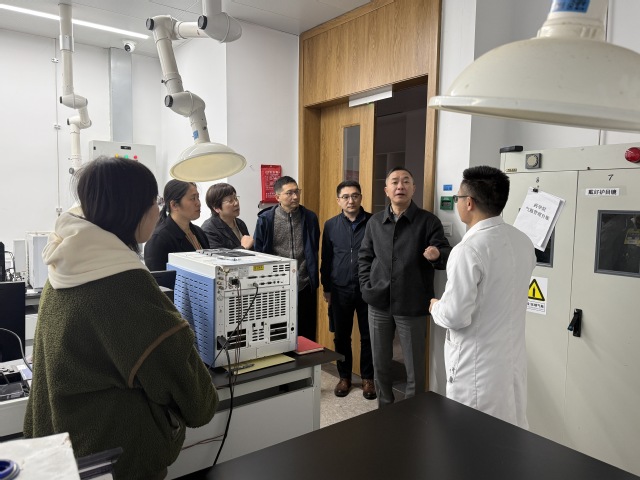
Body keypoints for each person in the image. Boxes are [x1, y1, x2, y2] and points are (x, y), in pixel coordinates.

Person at [23, 157, 218, 479]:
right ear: (134, 210)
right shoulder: (125, 286)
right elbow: (198, 403)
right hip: (116, 460)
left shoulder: (64, 267)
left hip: (60, 449)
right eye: (154, 201)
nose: (157, 210)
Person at [429, 166, 536, 429]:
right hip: (509, 361)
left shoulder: (468, 250)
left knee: (473, 436)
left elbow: (455, 315)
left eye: (457, 198)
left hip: (477, 368)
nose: (457, 203)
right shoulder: (522, 241)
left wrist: (436, 306)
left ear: (469, 203)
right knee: (508, 431)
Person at [359, 167, 451, 408]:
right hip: (378, 301)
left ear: (413, 188)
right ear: (386, 190)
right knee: (380, 361)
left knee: (414, 364)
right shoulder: (375, 222)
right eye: (395, 182)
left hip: (412, 301)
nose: (400, 186)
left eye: (406, 181)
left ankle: (413, 411)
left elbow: (446, 253)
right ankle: (384, 406)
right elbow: (364, 257)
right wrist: (366, 287)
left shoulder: (428, 221)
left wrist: (437, 255)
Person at [321, 180, 375, 400]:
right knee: (341, 336)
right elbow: (326, 258)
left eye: (355, 196)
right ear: (338, 200)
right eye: (345, 197)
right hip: (340, 289)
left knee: (368, 336)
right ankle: (344, 377)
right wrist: (326, 287)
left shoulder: (373, 222)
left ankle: (368, 378)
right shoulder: (331, 225)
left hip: (367, 289)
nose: (350, 200)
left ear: (361, 197)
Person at [254, 176, 320, 341]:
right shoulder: (265, 220)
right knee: (279, 335)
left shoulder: (310, 218)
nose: (295, 196)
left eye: (297, 192)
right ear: (278, 197)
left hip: (304, 285)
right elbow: (259, 253)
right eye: (289, 193)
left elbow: (313, 249)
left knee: (306, 334)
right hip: (276, 287)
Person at [144, 179, 210, 271]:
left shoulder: (199, 232)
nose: (198, 203)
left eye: (197, 198)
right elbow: (158, 278)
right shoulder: (159, 239)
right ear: (174, 205)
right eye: (192, 199)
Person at [201, 183, 254, 250]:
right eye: (230, 201)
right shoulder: (209, 229)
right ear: (216, 208)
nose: (236, 203)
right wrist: (243, 247)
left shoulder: (240, 223)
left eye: (236, 198)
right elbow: (218, 256)